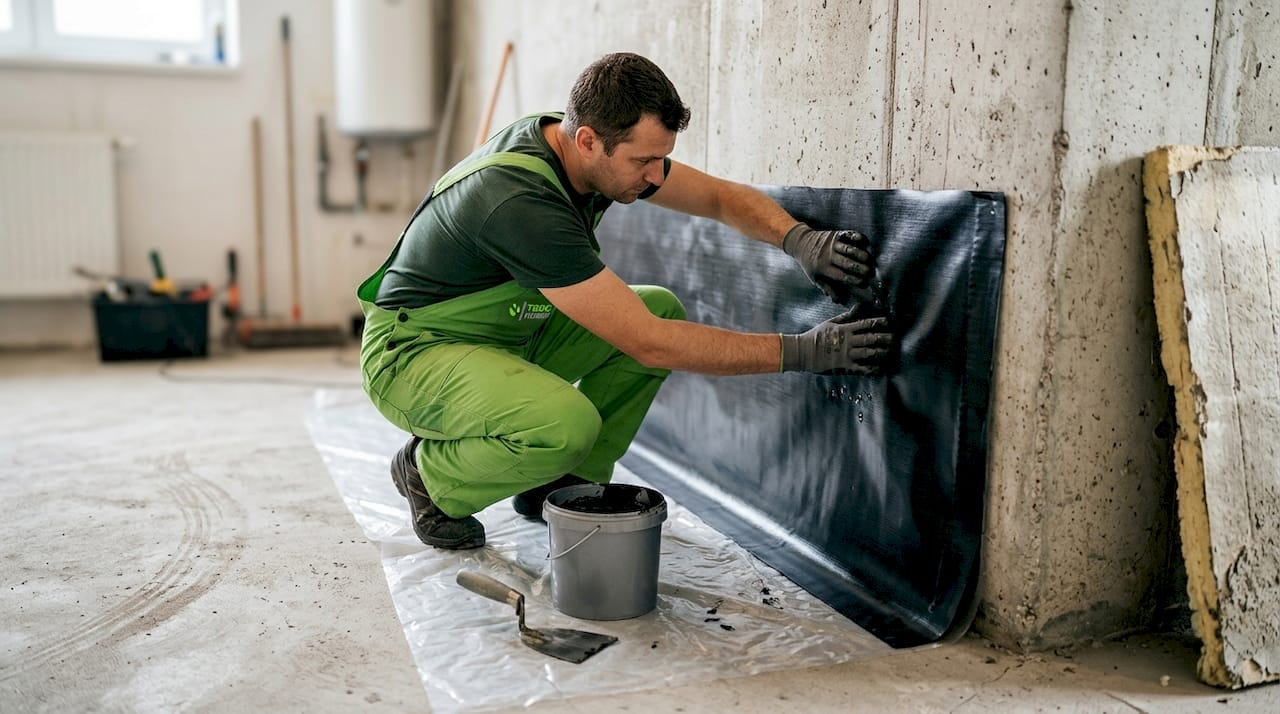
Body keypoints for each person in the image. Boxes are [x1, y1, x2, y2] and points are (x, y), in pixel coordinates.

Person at [357, 52, 892, 549]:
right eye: (645, 161)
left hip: (504, 334)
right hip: (413, 353)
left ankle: (564, 484)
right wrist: (805, 352)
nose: (656, 177)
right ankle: (429, 478)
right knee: (566, 421)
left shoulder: (580, 150)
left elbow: (717, 197)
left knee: (656, 305)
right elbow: (649, 345)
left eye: (662, 160)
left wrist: (800, 240)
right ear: (589, 139)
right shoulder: (522, 202)